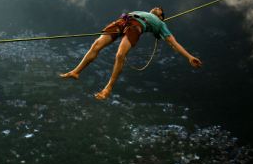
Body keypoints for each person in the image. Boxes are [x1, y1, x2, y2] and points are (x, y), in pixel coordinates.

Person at [59, 7, 202, 100]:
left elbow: (174, 43)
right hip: (123, 21)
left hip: (136, 27)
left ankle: (108, 88)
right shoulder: (143, 11)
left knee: (120, 55)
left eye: (160, 10)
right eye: (156, 8)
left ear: (161, 17)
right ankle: (76, 72)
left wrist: (189, 57)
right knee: (96, 45)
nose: (157, 8)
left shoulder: (161, 25)